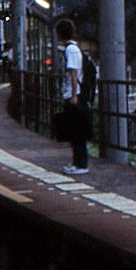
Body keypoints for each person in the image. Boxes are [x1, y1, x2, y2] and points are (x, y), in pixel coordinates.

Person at [56, 18, 90, 175]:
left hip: (73, 95)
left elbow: (73, 73)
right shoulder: (73, 48)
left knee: (76, 132)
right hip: (73, 94)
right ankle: (77, 162)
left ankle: (81, 164)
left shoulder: (71, 50)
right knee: (75, 131)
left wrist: (74, 95)